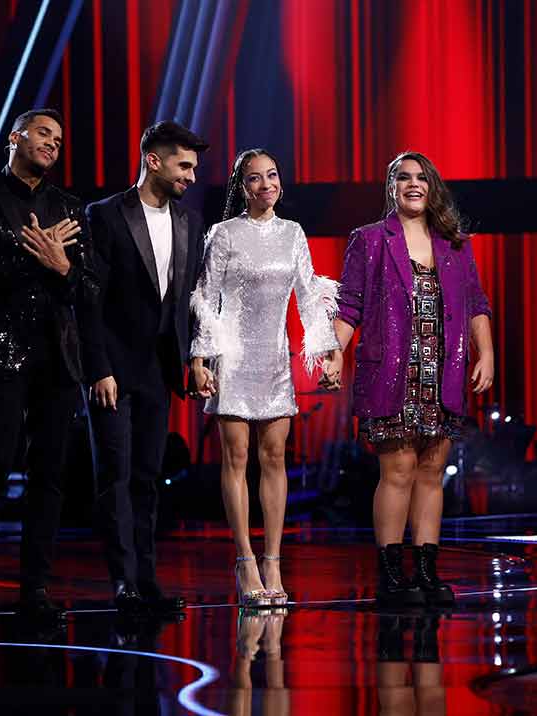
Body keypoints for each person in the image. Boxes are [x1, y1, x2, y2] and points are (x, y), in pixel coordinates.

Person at [0, 108, 97, 625]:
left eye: (59, 137)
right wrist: (29, 255)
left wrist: (61, 265)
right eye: (42, 133)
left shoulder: (70, 208)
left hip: (57, 356)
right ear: (15, 137)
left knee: (49, 476)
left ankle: (34, 589)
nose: (53, 143)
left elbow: (90, 288)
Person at [334, 151, 494, 608]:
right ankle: (390, 574)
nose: (413, 184)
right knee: (398, 471)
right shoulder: (369, 240)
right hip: (392, 375)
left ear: (433, 185)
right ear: (391, 187)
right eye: (403, 177)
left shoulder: (455, 244)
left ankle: (426, 572)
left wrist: (488, 353)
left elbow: (476, 303)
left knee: (430, 473)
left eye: (421, 177)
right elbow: (350, 305)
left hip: (442, 372)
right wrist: (332, 354)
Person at [190, 149, 341, 608]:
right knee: (237, 458)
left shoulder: (292, 234)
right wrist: (200, 359)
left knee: (274, 457)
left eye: (272, 175)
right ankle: (245, 561)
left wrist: (326, 351)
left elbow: (310, 294)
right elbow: (205, 297)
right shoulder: (224, 234)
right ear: (242, 186)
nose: (266, 185)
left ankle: (273, 560)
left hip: (274, 361)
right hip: (233, 360)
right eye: (255, 179)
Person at [79, 121, 209, 615]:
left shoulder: (189, 222)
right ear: (153, 160)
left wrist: (197, 358)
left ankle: (147, 580)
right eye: (184, 165)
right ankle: (123, 582)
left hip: (160, 368)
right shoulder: (105, 215)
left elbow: (190, 300)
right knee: (114, 473)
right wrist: (98, 368)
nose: (192, 177)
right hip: (112, 369)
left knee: (149, 476)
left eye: (194, 168)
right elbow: (88, 299)